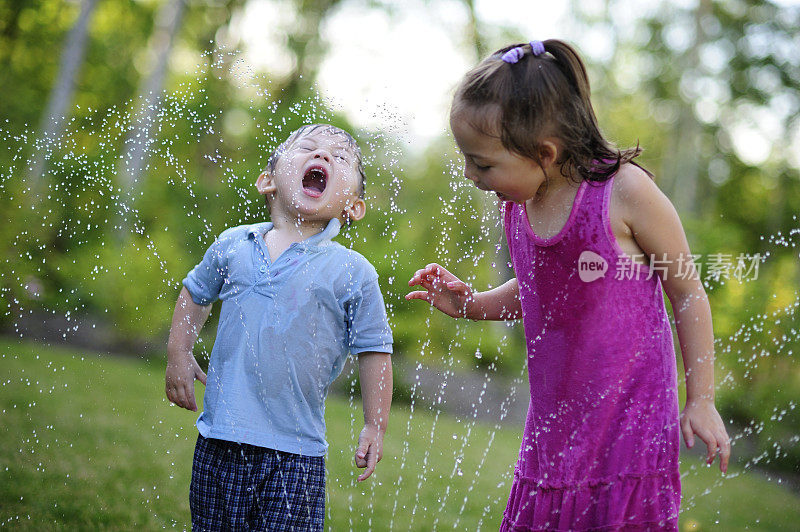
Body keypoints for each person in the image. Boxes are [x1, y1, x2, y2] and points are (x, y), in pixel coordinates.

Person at [406, 40, 730, 531]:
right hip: (555, 434)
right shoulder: (518, 202)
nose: (470, 174)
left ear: (544, 153)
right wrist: (473, 304)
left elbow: (687, 291)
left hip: (628, 435)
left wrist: (701, 399)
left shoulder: (625, 193)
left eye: (483, 163)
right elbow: (544, 287)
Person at [165, 123, 393, 531]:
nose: (322, 156)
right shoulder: (234, 244)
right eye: (307, 147)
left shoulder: (353, 272)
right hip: (218, 441)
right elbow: (195, 294)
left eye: (339, 158)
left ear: (354, 206)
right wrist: (179, 353)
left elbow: (375, 349)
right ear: (267, 180)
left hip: (296, 453)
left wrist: (375, 424)